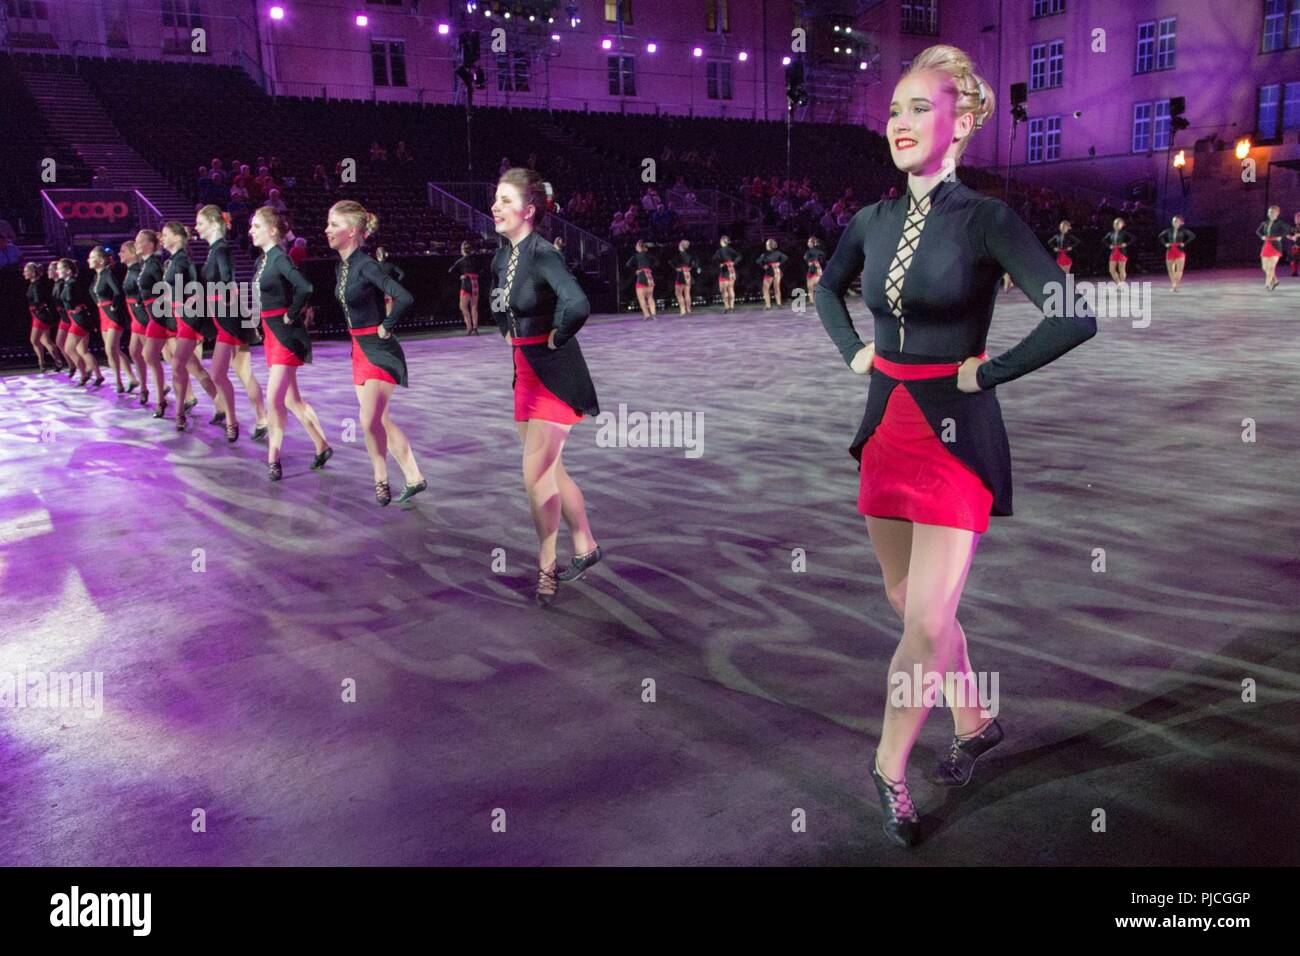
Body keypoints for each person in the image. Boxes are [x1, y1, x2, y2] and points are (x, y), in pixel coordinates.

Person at [814, 44, 1096, 848]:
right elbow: (827, 290)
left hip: (955, 439)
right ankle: (975, 717)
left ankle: (888, 765)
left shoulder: (988, 219)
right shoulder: (869, 221)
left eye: (920, 108)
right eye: (895, 109)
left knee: (930, 617)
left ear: (964, 120)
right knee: (909, 605)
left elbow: (1073, 311)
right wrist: (854, 353)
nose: (900, 122)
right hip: (884, 430)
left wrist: (988, 372)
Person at [490, 167, 602, 607]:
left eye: (505, 200)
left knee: (534, 474)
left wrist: (557, 335)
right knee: (550, 472)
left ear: (529, 210)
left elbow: (576, 302)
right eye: (495, 199)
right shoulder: (502, 257)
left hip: (555, 375)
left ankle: (546, 563)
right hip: (524, 372)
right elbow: (498, 302)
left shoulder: (542, 254)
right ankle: (586, 545)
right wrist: (506, 331)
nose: (495, 207)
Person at [325, 200, 427, 505]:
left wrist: (387, 325)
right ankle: (414, 477)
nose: (326, 230)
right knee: (379, 420)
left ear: (352, 231)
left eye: (333, 224)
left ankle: (380, 480)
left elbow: (404, 296)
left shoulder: (366, 264)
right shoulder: (341, 266)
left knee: (369, 420)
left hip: (379, 349)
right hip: (358, 349)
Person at [250, 205, 332, 480]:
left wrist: (290, 313)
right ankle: (322, 445)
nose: (251, 231)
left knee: (275, 399)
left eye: (257, 226)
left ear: (272, 230)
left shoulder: (280, 258)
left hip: (285, 335)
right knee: (292, 399)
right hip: (271, 333)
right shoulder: (261, 261)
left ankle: (273, 457)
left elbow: (305, 287)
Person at [196, 204, 268, 442]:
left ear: (214, 224)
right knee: (243, 373)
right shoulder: (215, 250)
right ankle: (261, 418)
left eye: (200, 223)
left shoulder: (221, 249)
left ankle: (232, 420)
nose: (197, 227)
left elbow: (228, 281)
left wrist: (235, 312)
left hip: (228, 318)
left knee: (218, 373)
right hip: (225, 316)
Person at [89, 246, 138, 393]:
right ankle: (131, 378)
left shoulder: (107, 274)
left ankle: (118, 381)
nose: (88, 260)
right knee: (113, 349)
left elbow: (118, 292)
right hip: (102, 314)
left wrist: (113, 307)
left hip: (112, 314)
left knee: (110, 348)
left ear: (99, 260)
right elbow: (93, 293)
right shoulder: (96, 276)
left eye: (91, 258)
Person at [59, 258, 103, 387]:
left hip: (79, 319)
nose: (58, 271)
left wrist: (76, 307)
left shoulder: (72, 283)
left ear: (67, 270)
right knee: (82, 350)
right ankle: (98, 375)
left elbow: (78, 298)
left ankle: (84, 374)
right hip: (76, 318)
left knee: (69, 349)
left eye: (60, 268)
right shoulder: (68, 283)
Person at [23, 261, 62, 372]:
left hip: (39, 315)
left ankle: (42, 363)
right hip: (37, 314)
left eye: (26, 271)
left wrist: (36, 307)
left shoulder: (37, 285)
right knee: (45, 340)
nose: (24, 273)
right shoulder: (33, 283)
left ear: (33, 272)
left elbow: (39, 300)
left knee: (34, 340)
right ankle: (56, 362)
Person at [449, 241, 481, 335]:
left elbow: (451, 271)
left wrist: (461, 276)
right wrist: (476, 275)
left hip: (466, 284)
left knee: (463, 306)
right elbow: (482, 269)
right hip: (475, 283)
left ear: (463, 250)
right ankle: (475, 327)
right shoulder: (475, 259)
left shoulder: (461, 261)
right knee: (474, 306)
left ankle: (469, 326)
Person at [1158, 215, 1195, 292]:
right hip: (1170, 250)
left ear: (1181, 222)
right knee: (1170, 270)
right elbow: (1160, 236)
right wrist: (1165, 244)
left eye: (1176, 221)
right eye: (1173, 221)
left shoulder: (1184, 230)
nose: (1174, 222)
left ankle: (1175, 286)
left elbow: (1192, 236)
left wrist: (1184, 243)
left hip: (1179, 250)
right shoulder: (1168, 230)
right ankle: (1174, 284)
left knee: (1179, 270)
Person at [1256, 205, 1288, 292]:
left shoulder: (1280, 223)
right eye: (1269, 212)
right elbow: (1258, 231)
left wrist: (1281, 236)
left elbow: (1287, 230)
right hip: (1266, 245)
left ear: (1277, 213)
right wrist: (1262, 237)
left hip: (1276, 246)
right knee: (1264, 268)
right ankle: (1275, 281)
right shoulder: (1265, 222)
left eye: (1273, 212)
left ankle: (1267, 285)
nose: (1271, 214)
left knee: (1271, 267)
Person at [626, 238, 657, 320]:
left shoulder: (636, 256)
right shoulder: (649, 255)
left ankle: (647, 315)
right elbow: (657, 262)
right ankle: (653, 314)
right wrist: (650, 269)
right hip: (649, 276)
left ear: (639, 246)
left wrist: (636, 270)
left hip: (641, 276)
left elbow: (628, 264)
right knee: (650, 297)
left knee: (641, 297)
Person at [756, 238, 789, 309]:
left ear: (769, 246)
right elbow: (785, 258)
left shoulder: (765, 254)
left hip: (770, 271)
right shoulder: (778, 253)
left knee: (765, 288)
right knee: (777, 288)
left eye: (767, 244)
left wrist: (763, 265)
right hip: (777, 271)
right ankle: (779, 304)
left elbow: (758, 261)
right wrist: (779, 263)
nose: (766, 245)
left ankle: (768, 305)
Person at [713, 235, 742, 313]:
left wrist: (720, 263)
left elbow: (714, 259)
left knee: (724, 290)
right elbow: (739, 256)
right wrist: (734, 262)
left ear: (722, 241)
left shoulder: (719, 251)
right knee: (731, 288)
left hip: (724, 270)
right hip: (731, 270)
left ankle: (727, 307)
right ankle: (732, 307)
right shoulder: (730, 249)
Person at [671, 239, 699, 316]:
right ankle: (689, 310)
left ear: (681, 246)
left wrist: (676, 268)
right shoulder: (689, 255)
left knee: (678, 293)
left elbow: (670, 262)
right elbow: (695, 262)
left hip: (680, 274)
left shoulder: (678, 255)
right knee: (687, 293)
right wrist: (690, 267)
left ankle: (683, 310)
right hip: (687, 274)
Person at [1104, 217, 1132, 286]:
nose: (1116, 225)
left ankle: (1121, 284)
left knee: (1121, 269)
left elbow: (1133, 238)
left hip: (1121, 252)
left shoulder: (1124, 232)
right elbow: (1104, 240)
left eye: (1117, 223)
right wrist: (1109, 245)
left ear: (1122, 225)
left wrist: (1126, 244)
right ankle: (1118, 283)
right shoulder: (1111, 233)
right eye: (1115, 223)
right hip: (1114, 252)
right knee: (1111, 270)